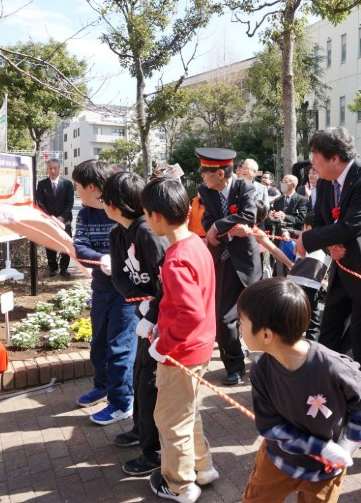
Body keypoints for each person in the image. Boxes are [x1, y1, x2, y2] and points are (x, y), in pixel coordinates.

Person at [238, 277, 361, 503]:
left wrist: (349, 443)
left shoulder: (333, 366)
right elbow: (270, 426)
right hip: (278, 460)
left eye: (242, 322)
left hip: (326, 470)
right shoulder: (261, 369)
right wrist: (320, 448)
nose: (239, 328)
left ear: (266, 335)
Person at [295, 127, 361, 392]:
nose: (312, 162)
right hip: (344, 270)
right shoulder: (325, 182)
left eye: (316, 156)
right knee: (330, 335)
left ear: (335, 159)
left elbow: (353, 225)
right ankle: (329, 390)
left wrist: (308, 241)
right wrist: (329, 241)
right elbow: (321, 220)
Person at [141, 176, 219, 503]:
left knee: (170, 419)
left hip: (180, 352)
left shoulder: (175, 259)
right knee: (187, 412)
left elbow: (189, 313)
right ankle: (202, 467)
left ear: (156, 216)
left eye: (146, 214)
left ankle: (180, 483)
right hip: (198, 347)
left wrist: (162, 344)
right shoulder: (195, 244)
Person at [101, 171, 168, 477]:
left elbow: (166, 282)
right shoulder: (118, 233)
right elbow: (118, 276)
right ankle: (141, 430)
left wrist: (153, 309)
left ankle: (153, 450)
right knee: (140, 374)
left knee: (150, 382)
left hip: (163, 320)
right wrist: (138, 301)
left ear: (116, 204)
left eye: (105, 199)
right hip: (144, 315)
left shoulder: (147, 232)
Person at [72, 160, 138, 425]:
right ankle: (103, 386)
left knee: (120, 347)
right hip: (101, 288)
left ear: (91, 186)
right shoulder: (85, 214)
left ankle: (123, 402)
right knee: (98, 342)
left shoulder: (124, 210)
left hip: (126, 293)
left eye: (78, 187)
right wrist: (102, 258)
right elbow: (79, 247)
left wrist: (117, 260)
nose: (77, 192)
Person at [196, 147, 261, 386]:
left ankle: (270, 362)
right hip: (220, 258)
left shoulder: (245, 187)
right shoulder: (205, 190)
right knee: (224, 319)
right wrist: (217, 228)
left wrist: (218, 226)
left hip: (245, 260)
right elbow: (206, 220)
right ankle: (233, 365)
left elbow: (248, 217)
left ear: (220, 174)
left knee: (257, 314)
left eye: (206, 173)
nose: (202, 177)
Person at [287, 213, 330, 341]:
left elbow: (292, 251)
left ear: (309, 227)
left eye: (304, 227)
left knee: (293, 317)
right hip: (311, 284)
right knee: (313, 321)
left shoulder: (305, 241)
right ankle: (312, 349)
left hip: (293, 282)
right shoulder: (329, 243)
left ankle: (290, 345)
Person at [35, 158, 74, 277]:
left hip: (65, 220)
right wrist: (51, 218)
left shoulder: (67, 184)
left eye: (55, 168)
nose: (53, 170)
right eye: (50, 168)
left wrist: (62, 217)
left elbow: (70, 203)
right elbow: (40, 202)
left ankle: (64, 268)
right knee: (50, 244)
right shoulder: (42, 184)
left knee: (66, 244)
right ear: (47, 169)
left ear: (60, 169)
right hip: (49, 220)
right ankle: (52, 268)